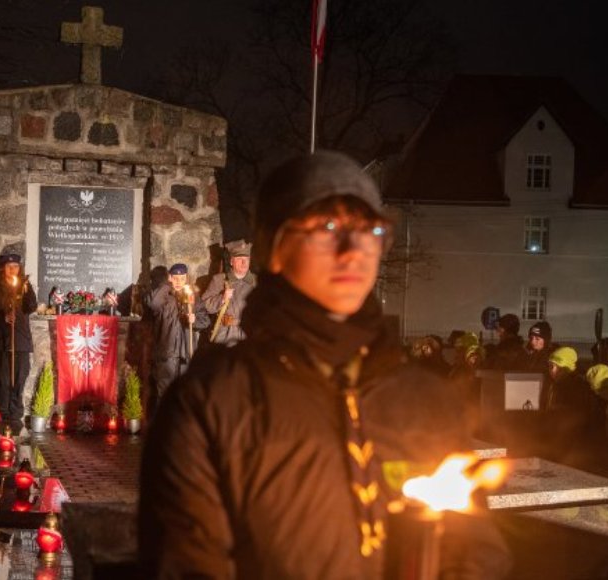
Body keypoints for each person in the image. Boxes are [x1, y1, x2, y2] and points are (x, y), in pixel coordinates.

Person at [139, 151, 509, 578]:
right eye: (327, 227)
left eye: (368, 229)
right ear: (276, 247)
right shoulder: (215, 403)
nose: (353, 250)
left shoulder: (424, 401)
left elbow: (476, 550)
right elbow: (186, 564)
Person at [0, 254, 37, 425]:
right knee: (2, 380)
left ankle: (15, 415)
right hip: (0, 343)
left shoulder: (24, 286)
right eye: (9, 266)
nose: (12, 269)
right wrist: (2, 319)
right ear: (2, 269)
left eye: (16, 266)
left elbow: (31, 307)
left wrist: (26, 291)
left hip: (20, 342)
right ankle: (2, 413)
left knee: (19, 378)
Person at [144, 263, 205, 413]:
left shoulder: (192, 297)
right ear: (170, 278)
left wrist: (194, 320)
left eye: (182, 278)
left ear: (186, 278)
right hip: (166, 355)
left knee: (185, 396)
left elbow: (205, 320)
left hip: (186, 354)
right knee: (164, 395)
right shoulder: (164, 296)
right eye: (175, 278)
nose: (179, 281)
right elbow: (152, 303)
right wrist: (166, 284)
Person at [199, 239, 256, 347]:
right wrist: (222, 298)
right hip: (225, 334)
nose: (244, 263)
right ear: (231, 261)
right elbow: (204, 305)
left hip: (250, 334)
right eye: (239, 259)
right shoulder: (219, 280)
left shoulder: (257, 282)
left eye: (247, 259)